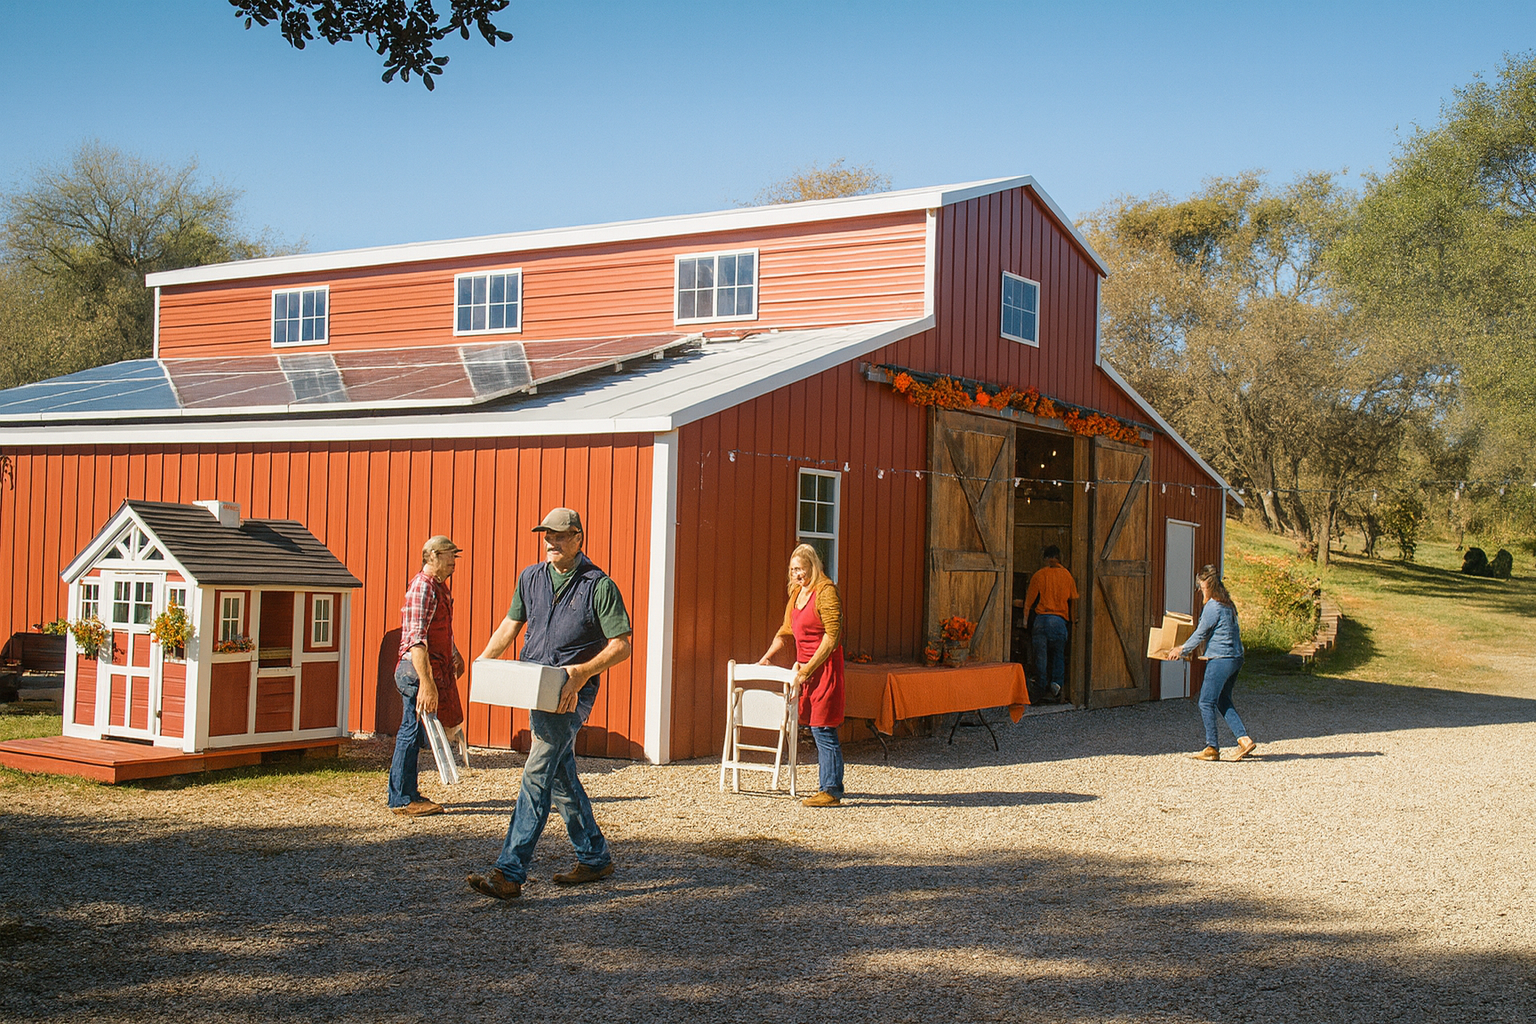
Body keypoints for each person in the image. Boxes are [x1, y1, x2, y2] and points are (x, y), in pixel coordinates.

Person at [467, 508, 632, 901]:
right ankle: (594, 856)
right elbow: (510, 625)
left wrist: (580, 673)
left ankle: (510, 871)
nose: (550, 543)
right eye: (546, 536)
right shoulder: (531, 577)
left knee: (537, 771)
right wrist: (483, 664)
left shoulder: (599, 585)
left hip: (570, 690)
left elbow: (622, 645)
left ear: (578, 538)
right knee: (558, 774)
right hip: (534, 685)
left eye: (558, 537)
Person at [757, 544, 847, 808]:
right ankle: (828, 784)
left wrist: (808, 668)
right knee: (816, 726)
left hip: (824, 668)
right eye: (793, 569)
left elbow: (832, 637)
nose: (797, 574)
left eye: (801, 569)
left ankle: (831, 789)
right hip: (806, 671)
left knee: (823, 727)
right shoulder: (797, 593)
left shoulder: (826, 592)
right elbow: (786, 631)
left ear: (813, 566)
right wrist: (767, 656)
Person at [388, 535, 466, 817]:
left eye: (454, 555)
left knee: (416, 732)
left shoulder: (439, 588)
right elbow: (415, 640)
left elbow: (438, 628)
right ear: (431, 556)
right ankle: (401, 799)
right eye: (449, 554)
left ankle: (407, 792)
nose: (453, 560)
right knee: (410, 732)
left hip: (429, 670)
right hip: (416, 671)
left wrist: (454, 652)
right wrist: (427, 684)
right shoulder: (422, 587)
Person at [1170, 564, 1256, 762]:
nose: (1199, 591)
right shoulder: (1228, 604)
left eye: (1200, 586)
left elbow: (1201, 633)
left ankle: (1212, 747)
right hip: (1236, 658)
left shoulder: (1213, 606)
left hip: (1221, 659)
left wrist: (1181, 649)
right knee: (1223, 699)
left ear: (1206, 585)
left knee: (1206, 701)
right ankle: (1244, 739)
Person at [1023, 545, 1079, 702]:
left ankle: (1040, 687)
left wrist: (1026, 620)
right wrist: (1073, 621)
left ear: (1045, 558)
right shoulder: (1068, 576)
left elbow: (1029, 601)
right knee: (1058, 655)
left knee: (1040, 657)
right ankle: (1056, 685)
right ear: (1059, 557)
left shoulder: (1039, 575)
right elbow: (1073, 600)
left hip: (1041, 620)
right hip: (1059, 621)